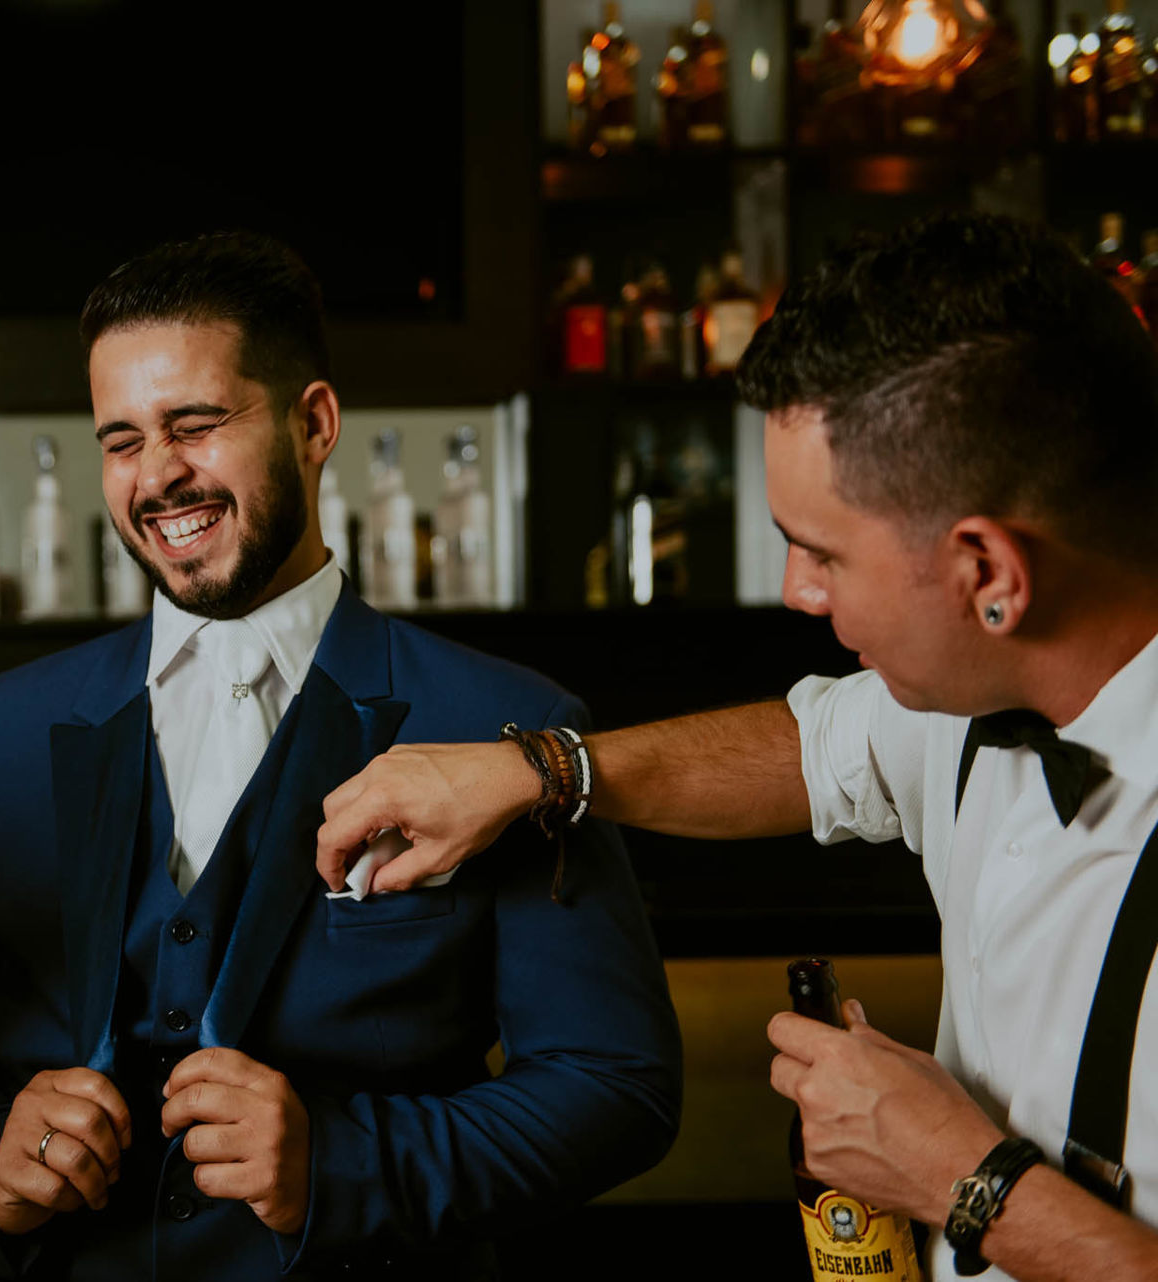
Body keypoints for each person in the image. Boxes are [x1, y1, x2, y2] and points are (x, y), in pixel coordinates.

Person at [315, 213, 1158, 1282]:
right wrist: (542, 771)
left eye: (821, 552)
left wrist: (960, 1176)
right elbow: (806, 746)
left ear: (989, 572)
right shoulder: (956, 697)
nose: (799, 592)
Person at [0, 231, 682, 1281]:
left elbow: (618, 1083)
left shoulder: (511, 725)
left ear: (314, 422)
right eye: (122, 440)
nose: (157, 476)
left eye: (195, 425)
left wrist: (344, 1161)